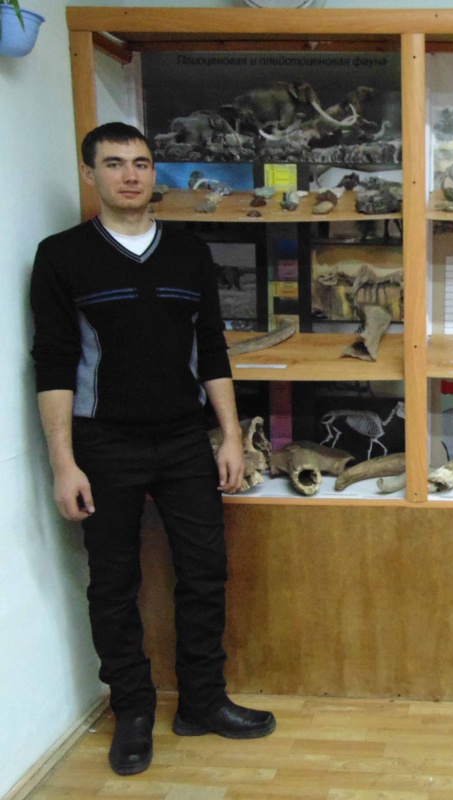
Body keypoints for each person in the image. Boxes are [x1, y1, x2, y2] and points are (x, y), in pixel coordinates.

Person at [30, 122, 276, 777]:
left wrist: (230, 436)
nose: (130, 175)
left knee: (205, 573)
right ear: (91, 175)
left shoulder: (189, 254)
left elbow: (212, 349)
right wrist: (62, 463)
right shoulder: (61, 256)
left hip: (184, 439)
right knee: (114, 584)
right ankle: (132, 713)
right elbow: (53, 363)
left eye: (140, 163)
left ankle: (202, 701)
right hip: (102, 443)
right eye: (114, 164)